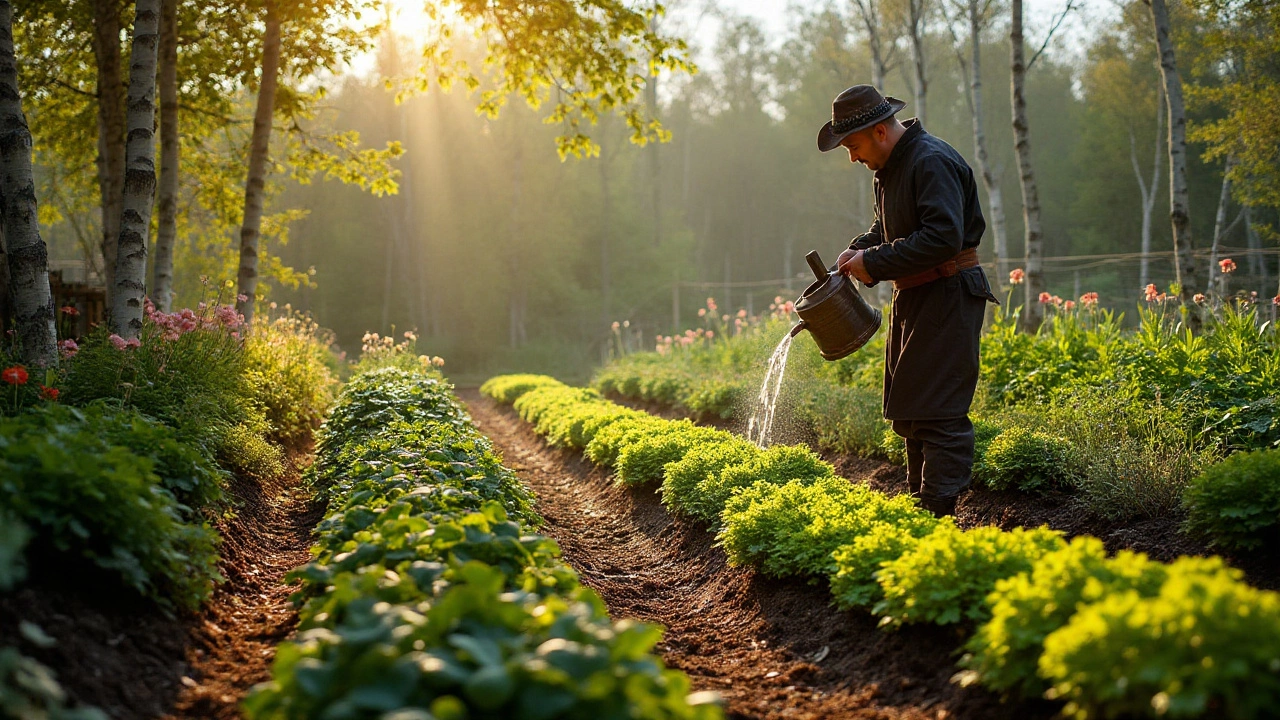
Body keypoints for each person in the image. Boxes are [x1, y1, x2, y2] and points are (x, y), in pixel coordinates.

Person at [817, 84, 999, 518]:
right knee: (912, 411)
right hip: (915, 296)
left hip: (948, 294)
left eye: (854, 146)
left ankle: (937, 514)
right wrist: (858, 249)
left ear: (880, 132)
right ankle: (918, 507)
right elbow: (889, 227)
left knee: (939, 413)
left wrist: (873, 262)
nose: (853, 157)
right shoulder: (893, 168)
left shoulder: (931, 160)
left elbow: (942, 237)